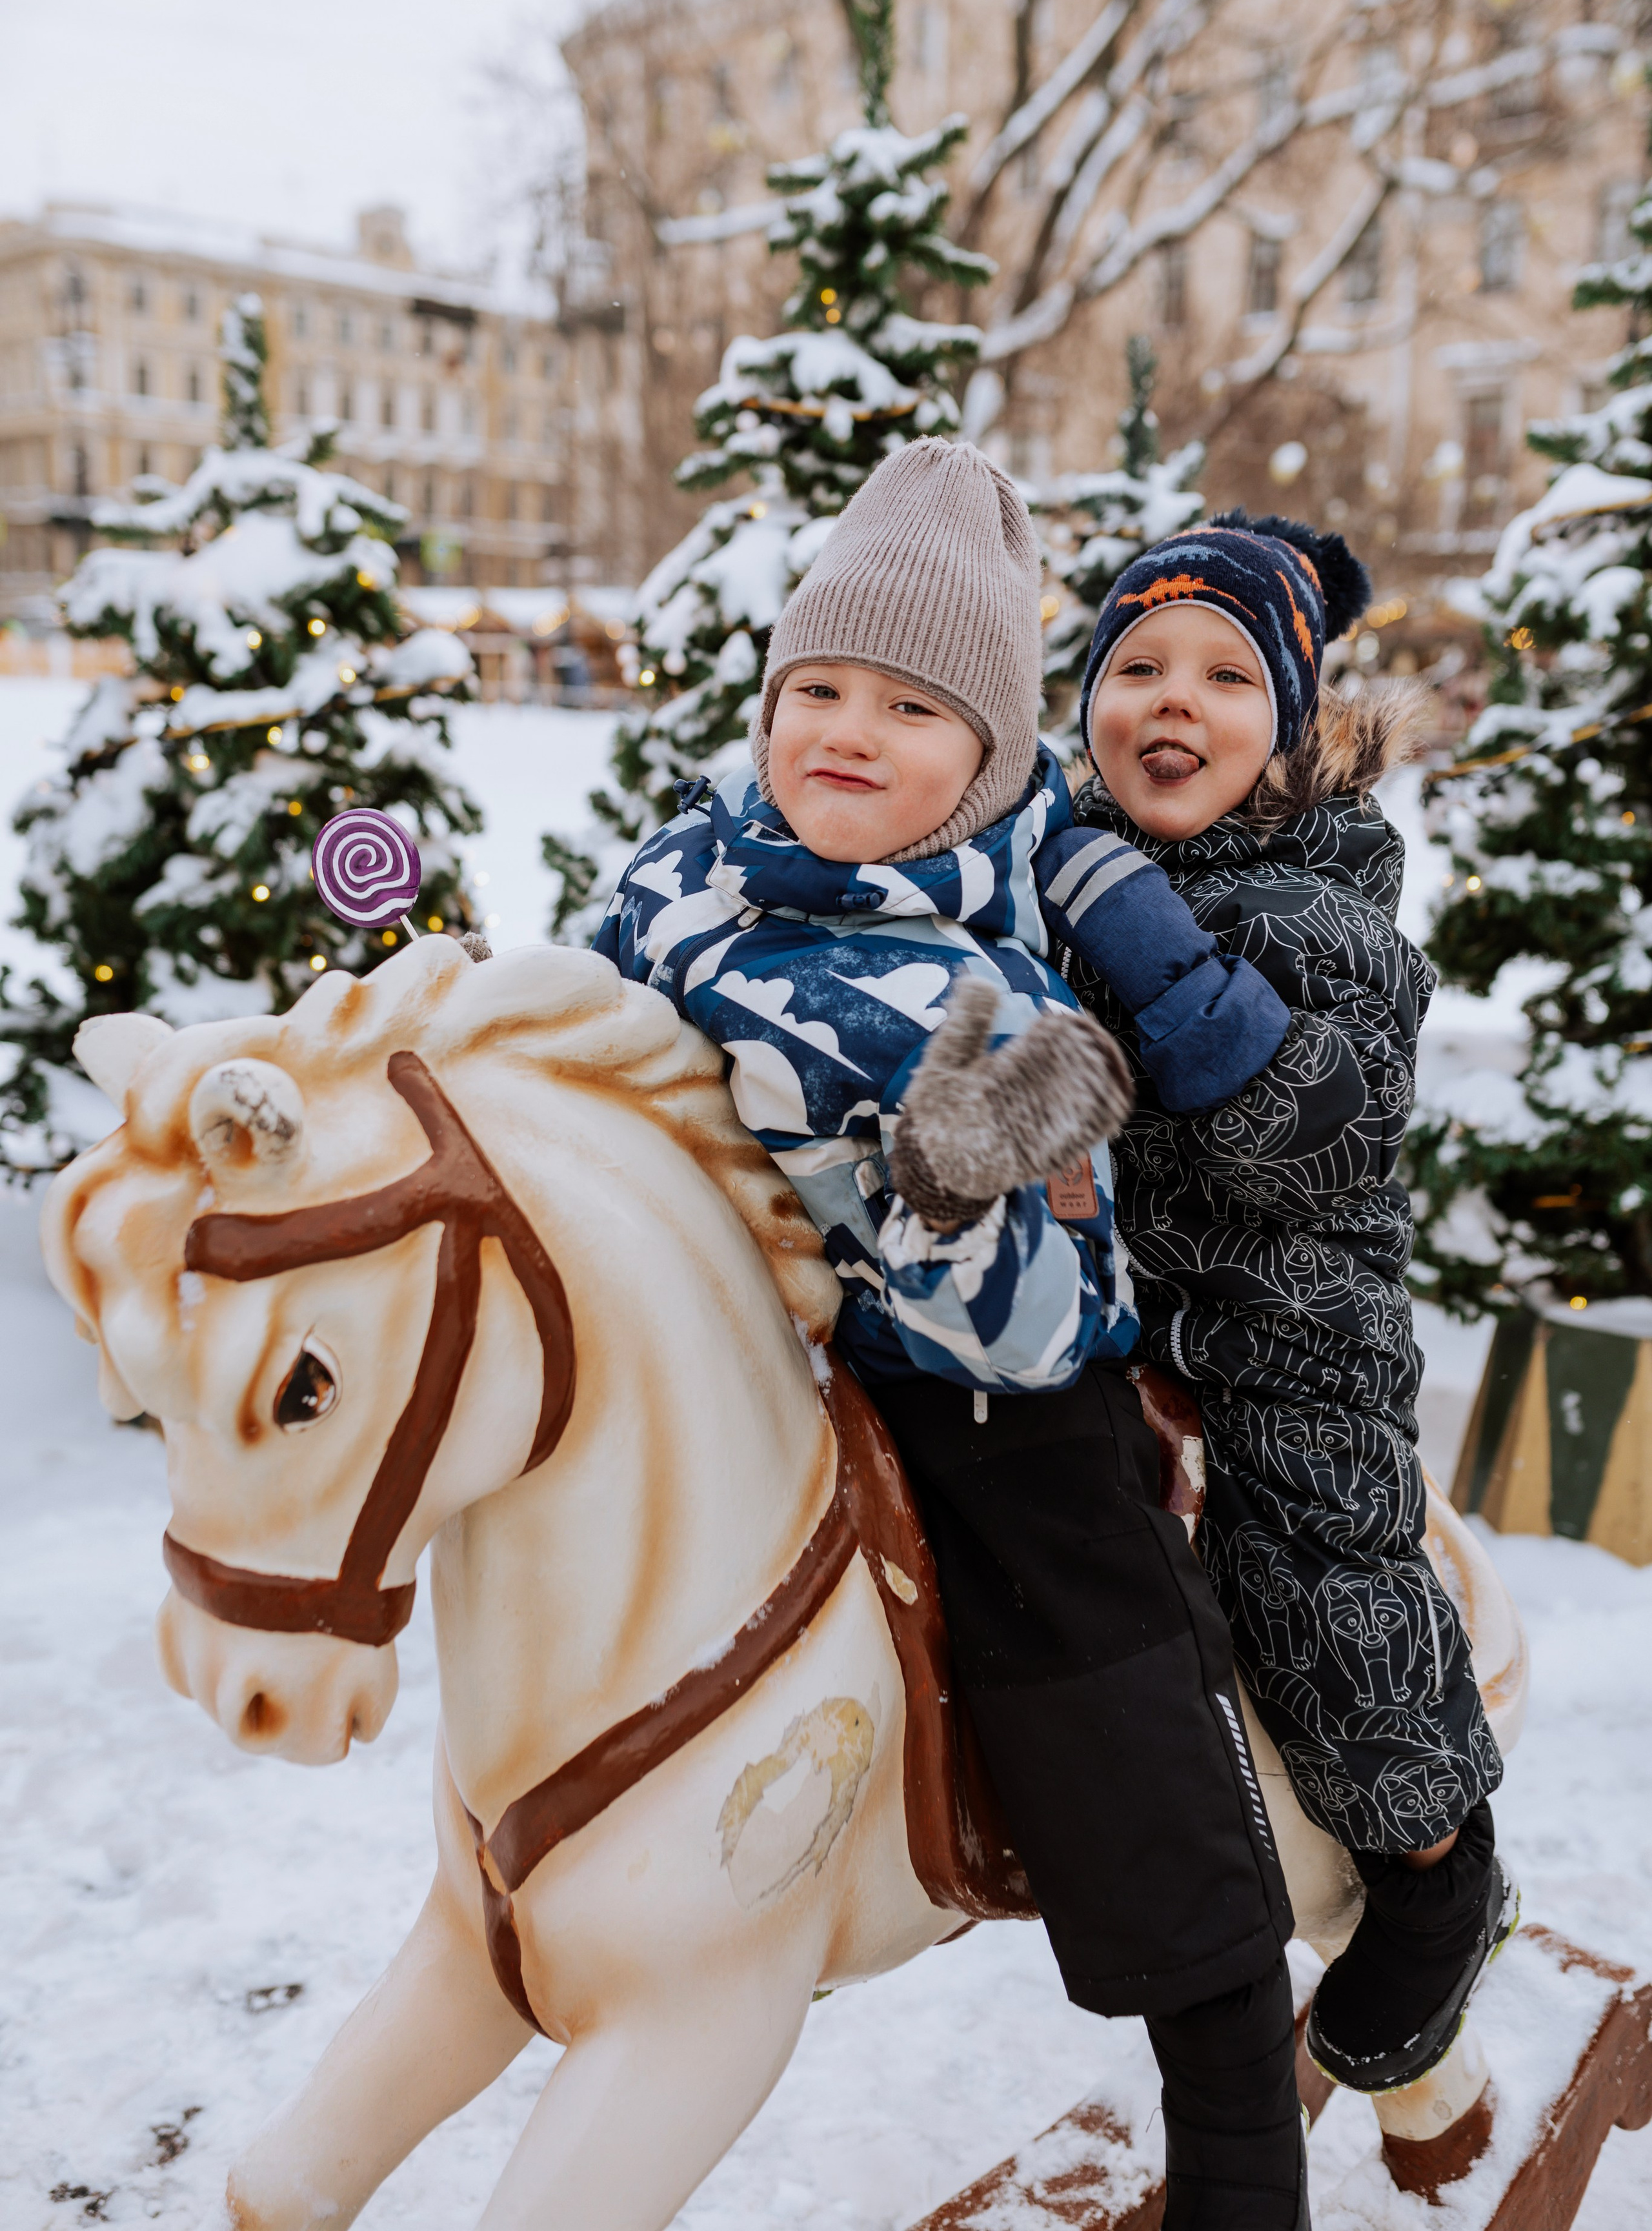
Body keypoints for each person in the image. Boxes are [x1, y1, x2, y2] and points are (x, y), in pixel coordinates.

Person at [596, 440, 1311, 2231]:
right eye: (818, 689)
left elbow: (1042, 1332)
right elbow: (572, 1041)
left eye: (912, 707)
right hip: (725, 1366)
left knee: (1104, 1666)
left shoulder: (1002, 1002)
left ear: (987, 761)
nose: (847, 730)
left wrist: (952, 1184)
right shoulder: (678, 878)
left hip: (975, 1399)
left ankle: (1235, 2112)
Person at [1033, 511, 1515, 2105]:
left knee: (1309, 1559)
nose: (1172, 699)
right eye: (1136, 667)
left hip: (1284, 1324)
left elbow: (1307, 1131)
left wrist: (1148, 945)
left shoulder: (1325, 905)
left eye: (1225, 676)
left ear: (1293, 725)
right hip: (1092, 1308)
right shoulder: (1056, 873)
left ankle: (1432, 1861)